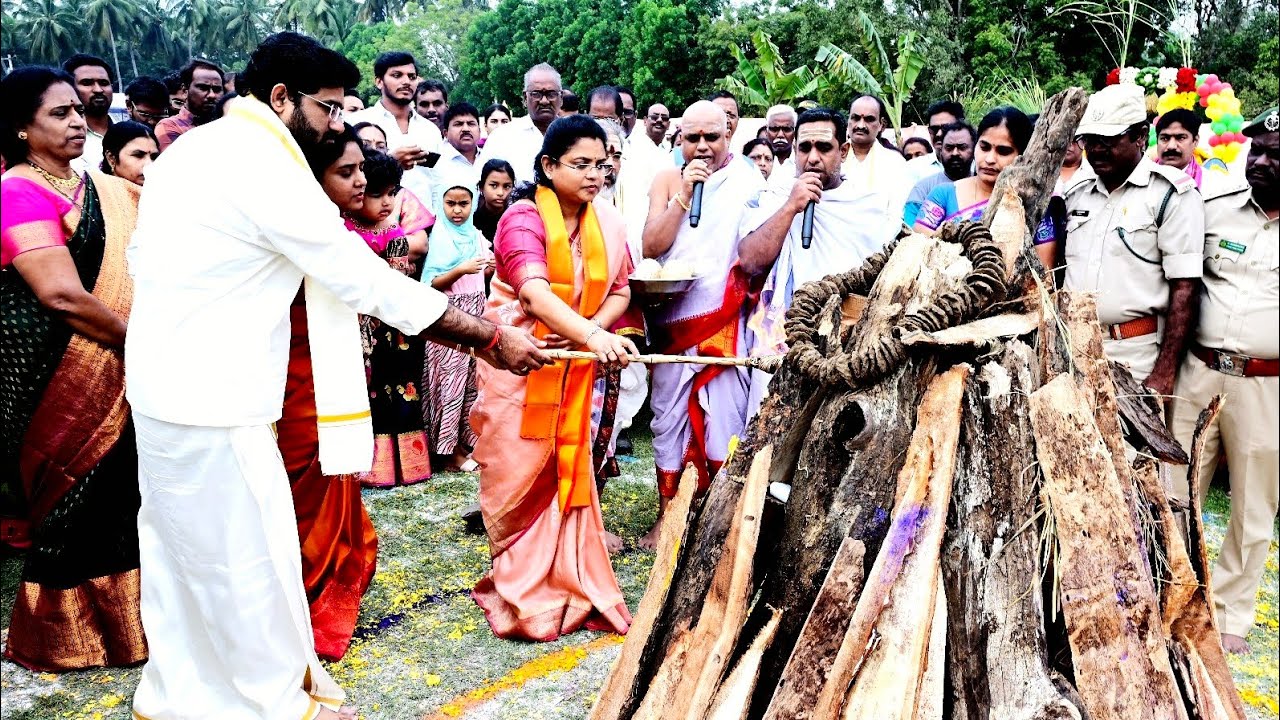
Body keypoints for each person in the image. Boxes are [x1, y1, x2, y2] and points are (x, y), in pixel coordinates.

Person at [124, 32, 548, 720]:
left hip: (162, 381)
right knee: (241, 558)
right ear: (281, 98)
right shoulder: (262, 163)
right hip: (215, 393)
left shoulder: (195, 150)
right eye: (327, 107)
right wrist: (489, 337)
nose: (335, 124)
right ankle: (271, 705)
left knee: (183, 558)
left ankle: (186, 696)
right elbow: (361, 279)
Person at [1, 65, 146, 672]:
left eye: (76, 111)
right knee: (73, 501)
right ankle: (63, 635)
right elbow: (60, 295)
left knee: (123, 493)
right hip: (50, 373)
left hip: (120, 361)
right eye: (57, 114)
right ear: (20, 128)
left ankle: (131, 628)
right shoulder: (15, 191)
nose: (76, 123)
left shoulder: (102, 189)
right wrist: (149, 342)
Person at [470, 114, 637, 640]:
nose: (595, 174)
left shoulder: (607, 220)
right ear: (548, 165)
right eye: (581, 164)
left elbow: (622, 290)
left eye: (602, 164)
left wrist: (590, 333)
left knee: (568, 464)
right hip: (520, 361)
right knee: (517, 469)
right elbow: (533, 294)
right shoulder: (522, 218)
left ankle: (571, 577)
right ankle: (523, 588)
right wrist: (592, 337)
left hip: (574, 364)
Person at [1168, 107, 1278, 657]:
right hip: (1199, 371)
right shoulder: (1213, 208)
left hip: (1266, 386)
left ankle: (1231, 613)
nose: (1259, 162)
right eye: (1256, 150)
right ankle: (1168, 591)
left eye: (1275, 156)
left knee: (1253, 505)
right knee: (1172, 488)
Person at [639, 100, 766, 550]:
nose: (702, 146)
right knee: (667, 417)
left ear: (728, 134)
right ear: (680, 139)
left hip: (724, 316)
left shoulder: (749, 182)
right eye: (692, 137)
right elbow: (651, 247)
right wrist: (684, 196)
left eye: (711, 137)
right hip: (671, 316)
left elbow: (754, 254)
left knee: (724, 416)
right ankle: (667, 516)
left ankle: (716, 518)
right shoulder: (667, 178)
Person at [739, 107, 897, 416]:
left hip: (847, 340)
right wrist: (791, 207)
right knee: (770, 425)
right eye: (805, 148)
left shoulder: (869, 205)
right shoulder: (776, 196)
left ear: (844, 150)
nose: (812, 158)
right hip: (785, 333)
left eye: (824, 147)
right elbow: (750, 261)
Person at [288, 124, 378, 662]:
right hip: (295, 374)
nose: (361, 181)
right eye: (346, 172)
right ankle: (300, 582)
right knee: (304, 470)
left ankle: (330, 563)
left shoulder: (337, 228)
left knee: (329, 468)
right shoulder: (299, 232)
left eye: (361, 168)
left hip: (331, 370)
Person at [1062, 83, 1204, 389]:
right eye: (1089, 140)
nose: (1096, 149)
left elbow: (1185, 288)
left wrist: (1164, 372)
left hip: (1134, 355)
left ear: (1140, 135)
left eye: (1108, 140)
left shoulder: (1169, 194)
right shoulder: (1077, 193)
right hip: (1072, 349)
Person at [344, 149, 436, 486]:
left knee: (402, 387)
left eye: (392, 193)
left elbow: (398, 279)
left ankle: (408, 467)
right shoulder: (343, 230)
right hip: (358, 324)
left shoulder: (394, 231)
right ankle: (369, 468)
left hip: (394, 327)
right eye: (377, 194)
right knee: (368, 390)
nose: (387, 202)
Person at [912, 107, 1058, 268]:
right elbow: (916, 256)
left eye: (1003, 151)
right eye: (984, 147)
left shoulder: (1036, 205)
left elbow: (1043, 273)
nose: (989, 159)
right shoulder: (942, 195)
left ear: (1022, 155)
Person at [422, 184, 494, 472]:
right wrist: (460, 269)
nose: (457, 210)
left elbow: (484, 273)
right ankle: (445, 451)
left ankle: (464, 444)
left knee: (469, 383)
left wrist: (489, 266)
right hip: (448, 316)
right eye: (450, 203)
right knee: (449, 382)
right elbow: (429, 284)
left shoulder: (475, 235)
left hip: (476, 312)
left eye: (463, 203)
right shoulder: (439, 236)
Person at [346, 51, 443, 205]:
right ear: (379, 82)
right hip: (371, 216)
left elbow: (437, 182)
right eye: (397, 75)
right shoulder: (356, 122)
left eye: (412, 77)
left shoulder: (430, 130)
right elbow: (346, 174)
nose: (406, 82)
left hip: (424, 217)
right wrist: (391, 162)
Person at [483, 63, 563, 184]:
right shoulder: (501, 138)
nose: (544, 101)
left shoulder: (576, 135)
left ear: (561, 97)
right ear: (525, 98)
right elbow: (485, 184)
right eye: (536, 94)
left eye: (551, 94)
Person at [843, 94, 910, 221]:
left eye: (869, 119)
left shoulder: (895, 163)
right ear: (848, 121)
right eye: (855, 118)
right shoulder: (833, 158)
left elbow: (897, 213)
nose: (860, 125)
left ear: (881, 125)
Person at [903, 121, 975, 227]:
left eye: (962, 147)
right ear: (941, 151)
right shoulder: (923, 188)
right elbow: (911, 231)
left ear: (974, 150)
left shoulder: (984, 186)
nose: (955, 153)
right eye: (949, 148)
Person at [154, 59, 225, 151]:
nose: (212, 95)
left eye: (217, 89)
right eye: (203, 88)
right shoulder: (170, 126)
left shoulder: (229, 122)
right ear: (185, 91)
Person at [62, 54, 113, 173]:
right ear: (69, 88)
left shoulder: (129, 132)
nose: (98, 90)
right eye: (87, 83)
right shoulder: (62, 138)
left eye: (104, 83)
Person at [433, 102, 484, 210]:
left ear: (479, 131)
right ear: (445, 133)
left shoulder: (488, 158)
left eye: (471, 124)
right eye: (458, 124)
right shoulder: (435, 161)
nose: (466, 129)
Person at [904, 99, 965, 185]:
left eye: (946, 128)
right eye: (934, 129)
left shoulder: (977, 166)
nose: (939, 134)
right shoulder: (912, 169)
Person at [1155, 108, 1205, 188]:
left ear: (1195, 141)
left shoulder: (1215, 185)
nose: (1171, 146)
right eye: (1165, 138)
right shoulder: (1140, 180)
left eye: (1180, 138)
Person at [100, 120, 159, 186]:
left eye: (154, 157)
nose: (149, 164)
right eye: (138, 155)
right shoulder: (96, 190)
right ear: (111, 158)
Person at [474, 158, 516, 242]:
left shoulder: (516, 221)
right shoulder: (472, 223)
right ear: (481, 187)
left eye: (506, 186)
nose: (500, 193)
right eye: (494, 186)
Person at [763, 104, 797, 186]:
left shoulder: (802, 162)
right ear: (766, 132)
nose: (780, 135)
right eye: (774, 129)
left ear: (795, 132)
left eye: (787, 129)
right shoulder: (755, 162)